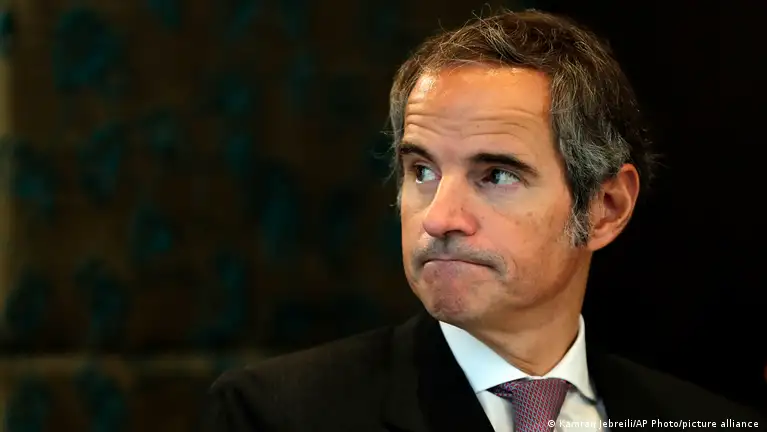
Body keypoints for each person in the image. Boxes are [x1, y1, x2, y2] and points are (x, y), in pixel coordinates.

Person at [203, 9, 763, 431]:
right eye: (422, 170)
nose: (439, 218)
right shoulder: (276, 415)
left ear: (606, 208)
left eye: (496, 175)